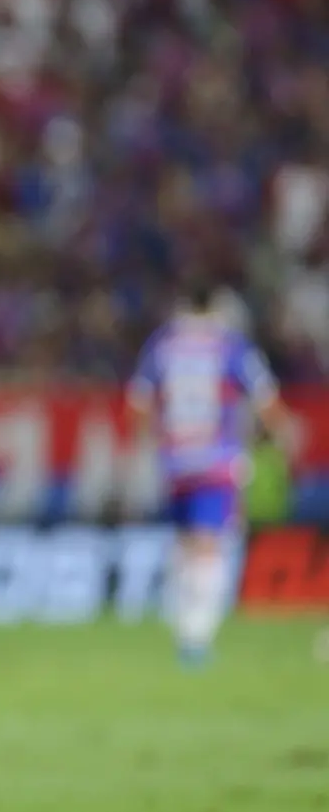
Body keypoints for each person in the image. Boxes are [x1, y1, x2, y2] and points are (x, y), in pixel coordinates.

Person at [127, 282, 296, 665]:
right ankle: (195, 637)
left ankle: (184, 624)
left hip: (175, 460)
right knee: (210, 545)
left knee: (187, 543)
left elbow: (137, 403)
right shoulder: (231, 346)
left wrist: (151, 442)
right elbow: (266, 399)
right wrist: (285, 435)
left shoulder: (162, 345)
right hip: (216, 459)